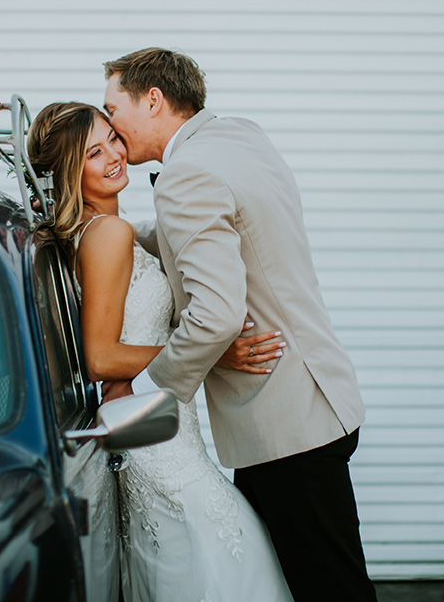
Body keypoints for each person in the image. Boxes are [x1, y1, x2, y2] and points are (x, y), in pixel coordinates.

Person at [101, 47, 377, 602]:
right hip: (314, 400)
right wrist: (115, 234)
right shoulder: (238, 138)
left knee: (331, 588)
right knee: (278, 578)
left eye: (112, 108)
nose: (108, 124)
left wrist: (147, 397)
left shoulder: (186, 175)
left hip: (284, 422)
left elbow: (215, 314)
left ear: (153, 100)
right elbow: (214, 228)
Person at [27, 101, 294, 602]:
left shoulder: (104, 232)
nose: (114, 157)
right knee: (222, 549)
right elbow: (101, 358)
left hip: (154, 423)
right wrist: (213, 355)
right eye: (93, 153)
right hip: (157, 440)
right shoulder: (108, 233)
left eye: (113, 139)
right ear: (68, 172)